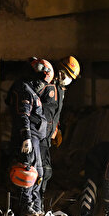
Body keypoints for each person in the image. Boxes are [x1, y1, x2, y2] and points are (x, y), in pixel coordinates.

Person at [7, 57, 54, 216]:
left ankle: (36, 210)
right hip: (30, 137)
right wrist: (26, 137)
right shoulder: (24, 90)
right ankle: (26, 210)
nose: (43, 86)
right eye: (43, 82)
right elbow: (23, 115)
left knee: (38, 174)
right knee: (27, 173)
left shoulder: (30, 91)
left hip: (35, 138)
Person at [38, 55, 80, 201]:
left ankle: (38, 203)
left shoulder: (60, 90)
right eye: (69, 76)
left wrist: (57, 130)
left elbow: (54, 113)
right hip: (39, 135)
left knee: (45, 172)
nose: (69, 80)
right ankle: (34, 205)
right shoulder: (47, 85)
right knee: (42, 171)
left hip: (47, 136)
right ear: (61, 71)